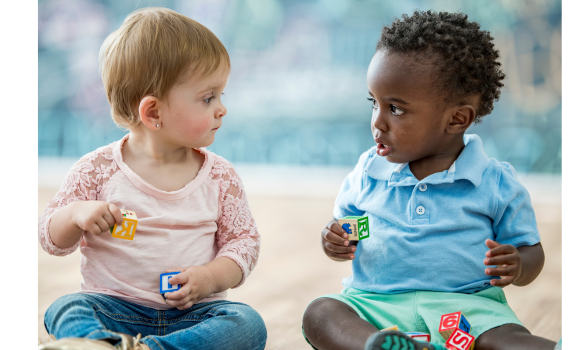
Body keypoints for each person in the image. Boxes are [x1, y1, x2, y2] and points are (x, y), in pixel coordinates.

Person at [302, 10, 558, 350]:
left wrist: (518, 264)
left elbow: (531, 252)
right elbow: (346, 224)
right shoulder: (367, 173)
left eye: (395, 108)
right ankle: (378, 345)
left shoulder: (495, 183)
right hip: (376, 306)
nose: (378, 122)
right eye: (373, 103)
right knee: (321, 312)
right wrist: (333, 239)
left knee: (503, 337)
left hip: (466, 307)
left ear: (456, 119)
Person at [38, 7, 266, 350]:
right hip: (114, 307)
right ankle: (105, 341)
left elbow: (245, 242)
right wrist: (75, 214)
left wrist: (210, 278)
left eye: (221, 95)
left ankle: (141, 349)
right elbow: (51, 240)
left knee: (247, 324)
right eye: (208, 98)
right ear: (153, 112)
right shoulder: (96, 169)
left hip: (194, 314)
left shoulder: (220, 176)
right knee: (64, 308)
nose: (222, 108)